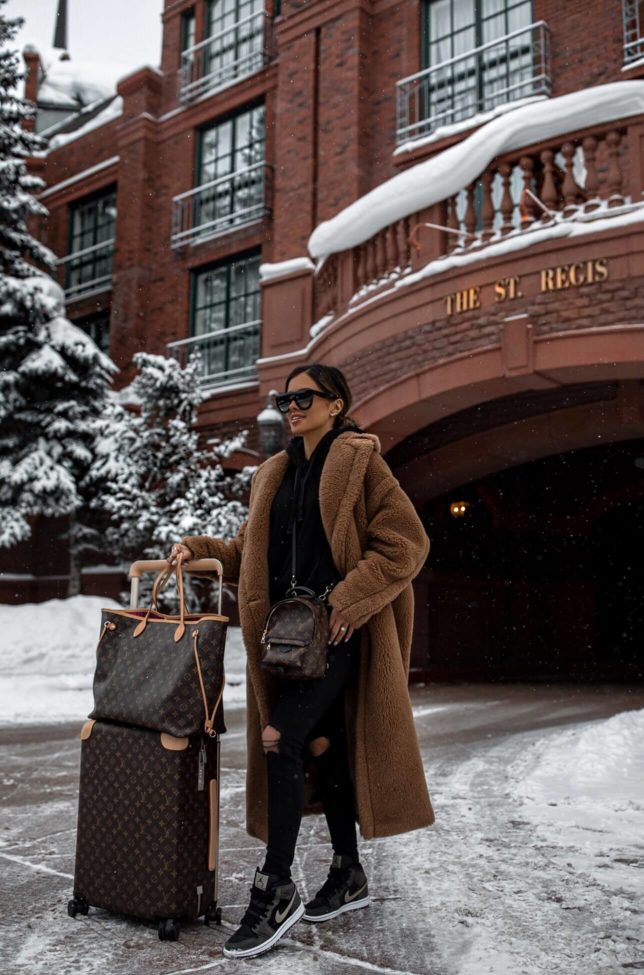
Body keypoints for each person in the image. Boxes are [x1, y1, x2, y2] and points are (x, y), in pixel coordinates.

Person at [168, 362, 434, 959]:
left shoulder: (361, 461)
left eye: (303, 397)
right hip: (287, 638)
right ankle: (347, 871)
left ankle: (277, 884)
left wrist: (347, 600)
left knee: (278, 737)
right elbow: (249, 550)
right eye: (284, 398)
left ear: (336, 403)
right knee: (321, 745)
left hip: (338, 631)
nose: (291, 407)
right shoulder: (274, 473)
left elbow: (406, 544)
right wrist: (202, 550)